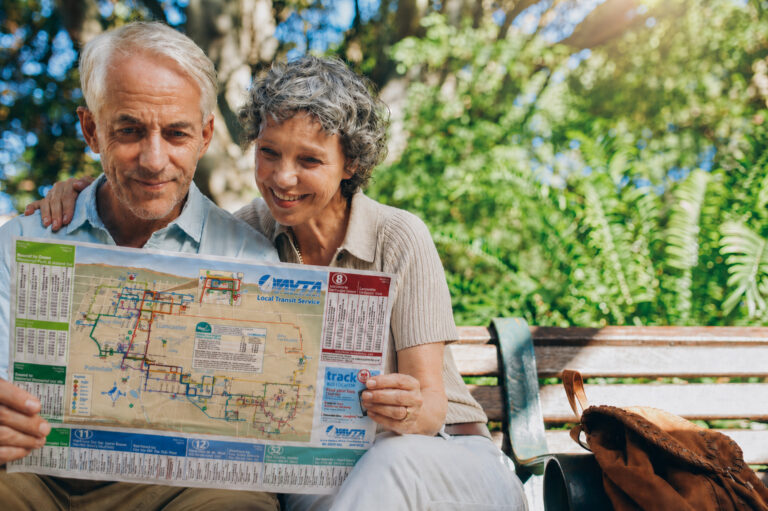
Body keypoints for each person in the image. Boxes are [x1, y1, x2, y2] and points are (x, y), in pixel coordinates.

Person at [28, 56, 528, 510]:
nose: (283, 178)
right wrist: (76, 193)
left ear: (349, 164)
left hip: (447, 458)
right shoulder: (247, 234)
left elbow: (432, 408)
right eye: (269, 153)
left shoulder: (397, 236)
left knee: (387, 465)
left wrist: (403, 408)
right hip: (330, 468)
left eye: (309, 161)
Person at [1, 22, 280, 510]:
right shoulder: (22, 242)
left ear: (206, 134)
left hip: (182, 484)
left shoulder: (248, 259)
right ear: (91, 130)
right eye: (129, 130)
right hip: (32, 472)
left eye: (176, 133)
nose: (154, 160)